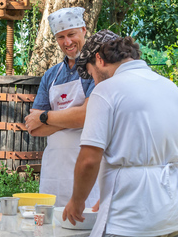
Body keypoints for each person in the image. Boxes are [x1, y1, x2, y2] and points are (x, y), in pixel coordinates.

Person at [63, 30, 178, 237]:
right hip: (170, 217)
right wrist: (109, 193)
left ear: (99, 59)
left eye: (91, 74)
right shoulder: (170, 88)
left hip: (129, 218)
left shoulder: (106, 90)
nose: (95, 81)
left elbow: (89, 159)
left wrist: (77, 201)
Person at [24, 7, 99, 207]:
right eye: (60, 37)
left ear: (83, 30)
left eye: (71, 34)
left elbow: (88, 116)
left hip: (87, 164)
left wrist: (46, 117)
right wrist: (75, 118)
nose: (67, 42)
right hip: (54, 170)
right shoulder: (51, 75)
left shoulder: (96, 69)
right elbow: (34, 127)